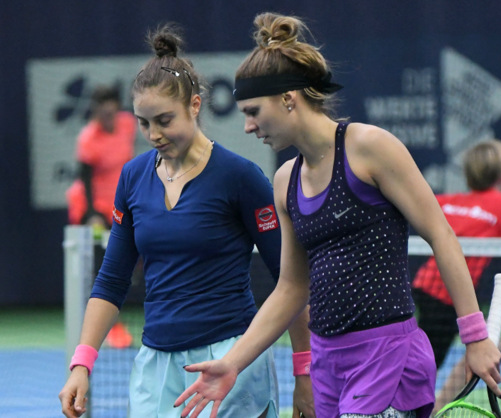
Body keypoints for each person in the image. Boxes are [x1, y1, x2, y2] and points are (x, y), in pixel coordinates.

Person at [174, 12, 501, 418]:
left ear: (288, 99)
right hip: (328, 364)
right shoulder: (284, 181)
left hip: (387, 357)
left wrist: (474, 335)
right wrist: (232, 363)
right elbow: (292, 288)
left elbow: (441, 235)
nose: (247, 126)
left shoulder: (370, 147)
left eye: (254, 111)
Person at [58, 23, 313, 418]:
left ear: (195, 105)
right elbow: (111, 280)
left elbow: (291, 282)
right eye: (143, 123)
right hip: (156, 367)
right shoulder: (132, 176)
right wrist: (81, 363)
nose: (153, 134)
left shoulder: (240, 177)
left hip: (233, 360)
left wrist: (304, 374)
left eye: (164, 120)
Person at [410, 139, 501, 413]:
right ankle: (418, 408)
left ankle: (434, 406)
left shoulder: (448, 200)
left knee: (480, 345)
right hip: (445, 296)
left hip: (423, 286)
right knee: (422, 365)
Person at [65, 84, 137, 348]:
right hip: (90, 207)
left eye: (112, 105)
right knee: (103, 270)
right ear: (95, 110)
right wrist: (91, 214)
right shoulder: (87, 137)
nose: (108, 111)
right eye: (102, 107)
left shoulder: (128, 124)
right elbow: (84, 179)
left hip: (121, 203)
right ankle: (109, 328)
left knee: (135, 264)